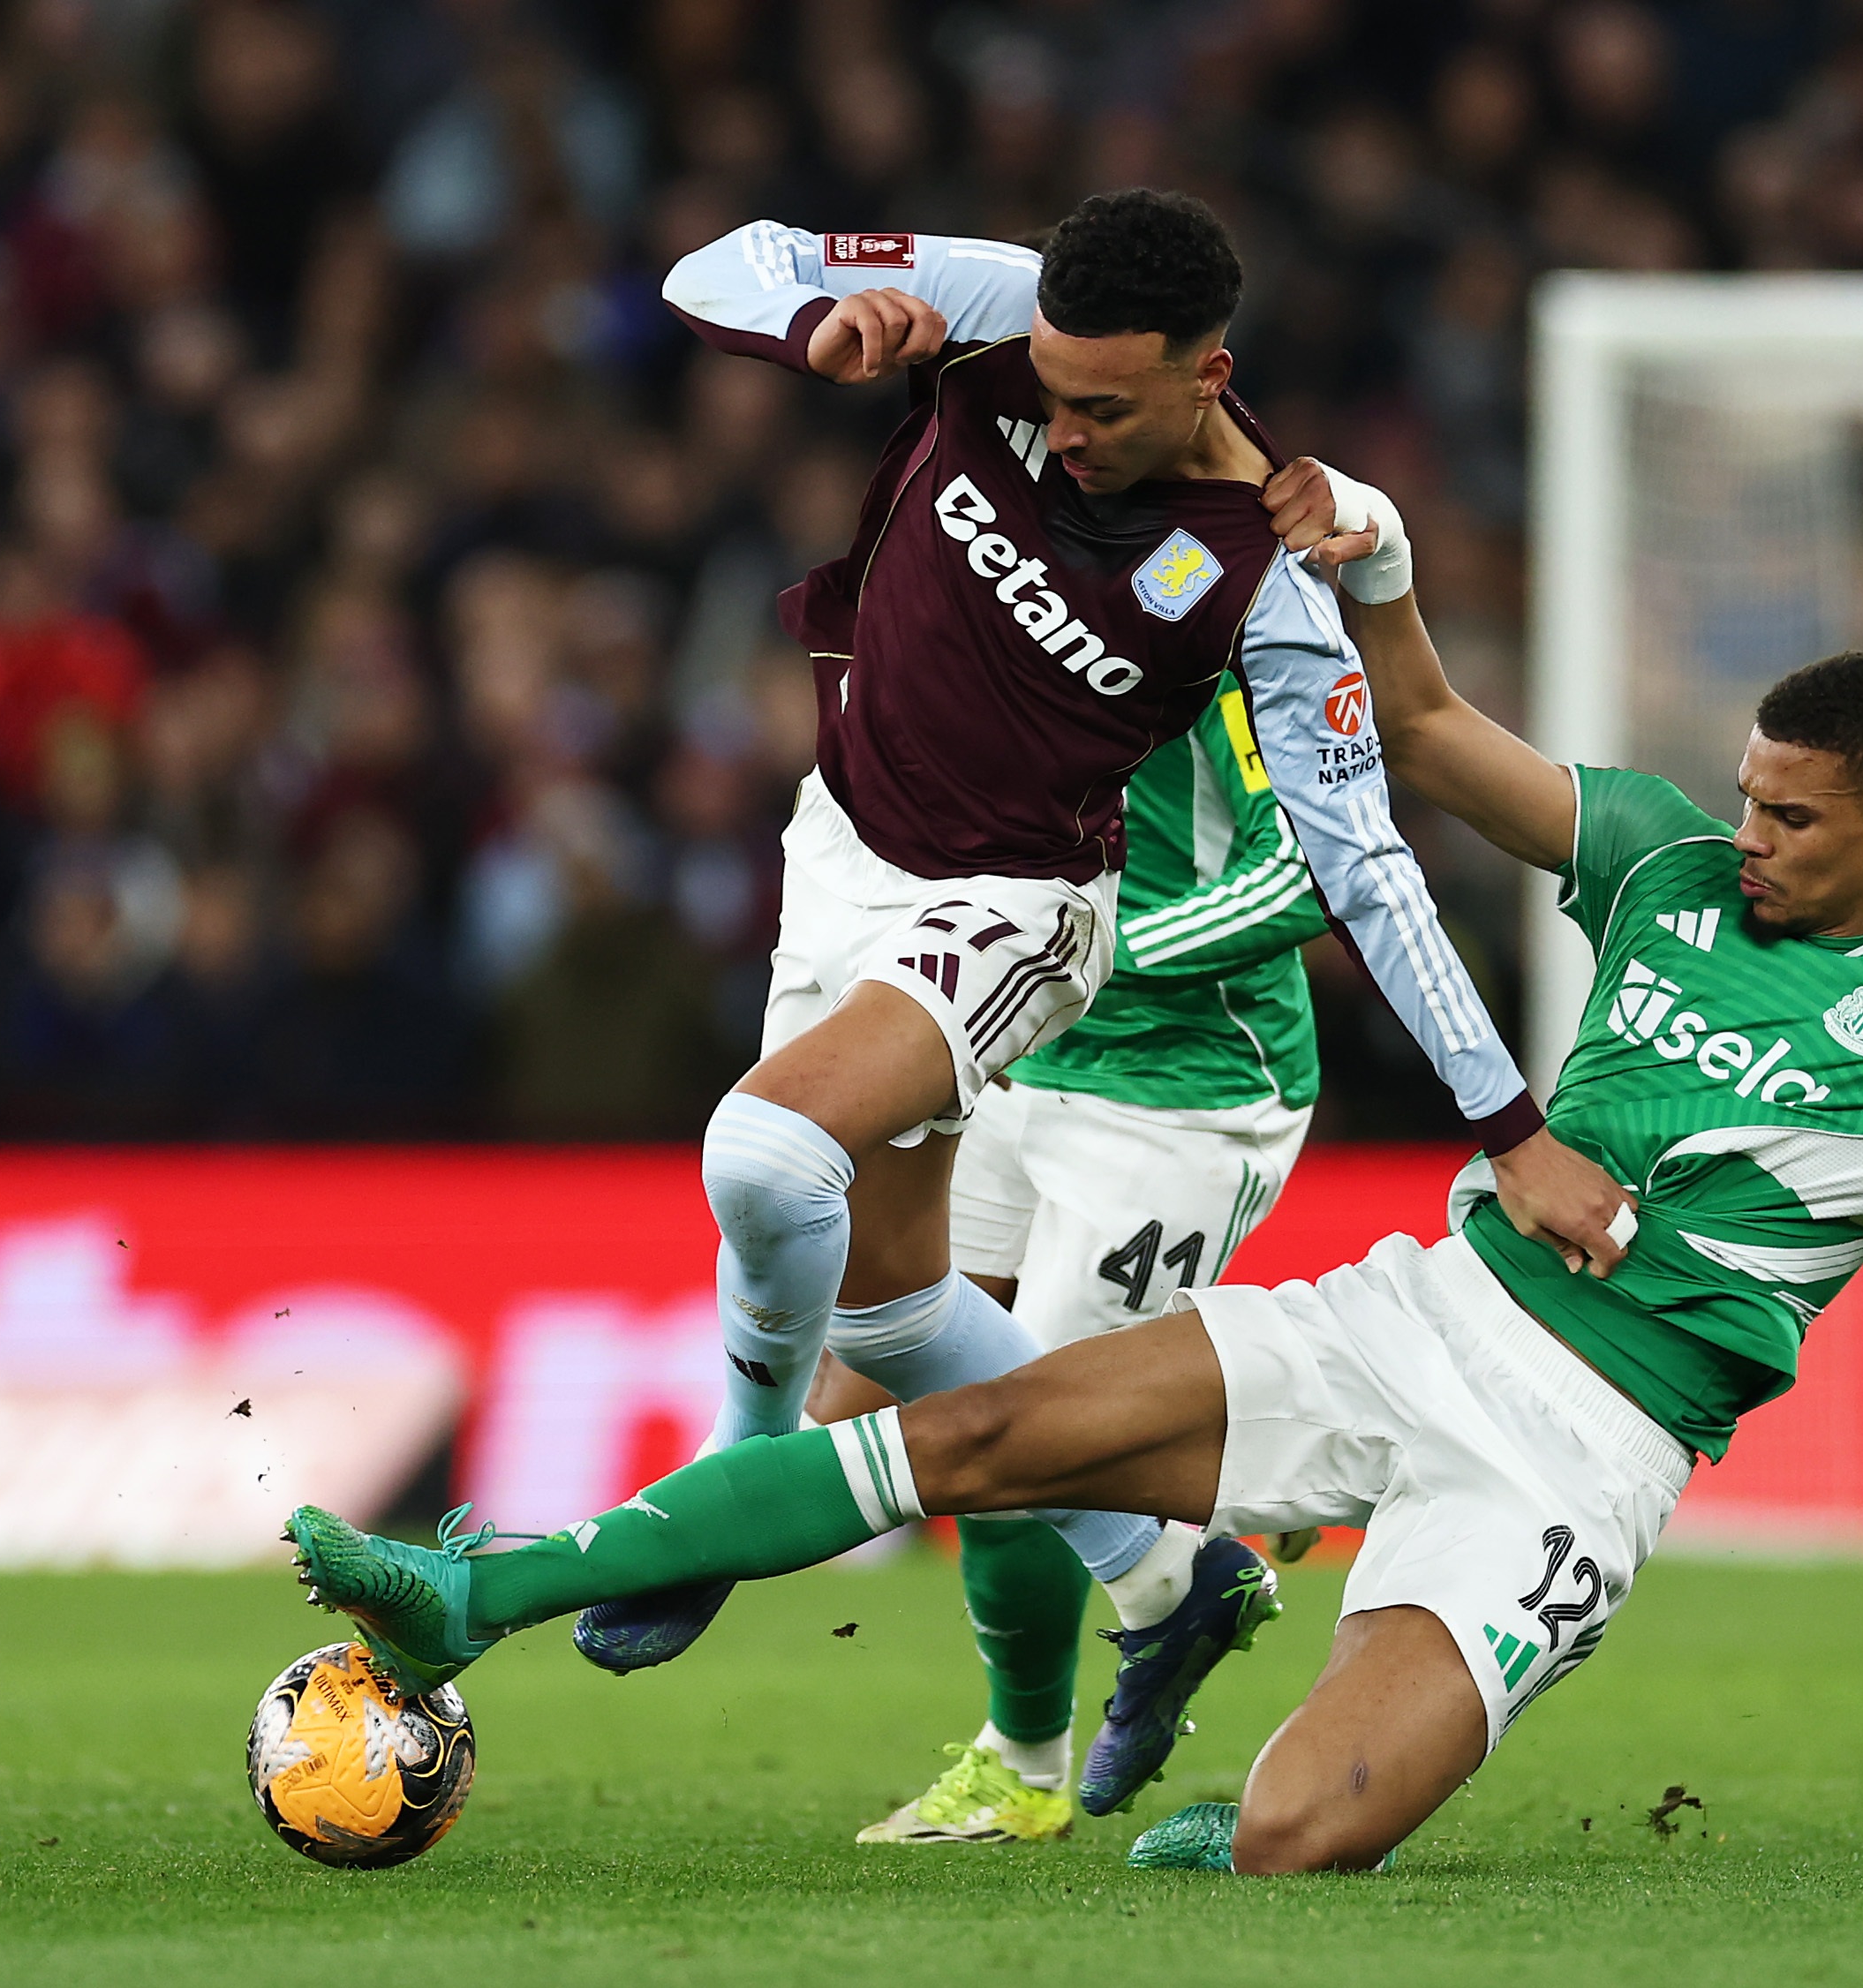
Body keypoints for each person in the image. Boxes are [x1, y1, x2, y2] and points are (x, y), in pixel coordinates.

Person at [286, 629, 1863, 1875]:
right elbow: (1416, 735)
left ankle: (1219, 1751)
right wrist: (1365, 553)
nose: (1747, 832)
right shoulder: (1664, 862)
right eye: (1750, 797)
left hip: (1583, 1456)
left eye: (1793, 814)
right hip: (1412, 1314)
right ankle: (481, 1592)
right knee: (971, 1430)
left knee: (1300, 1838)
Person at [569, 189, 1632, 1820]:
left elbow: (1358, 876)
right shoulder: (1004, 312)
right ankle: (1163, 1576)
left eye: (1104, 409)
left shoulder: (1270, 585)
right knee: (898, 1324)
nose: (1059, 434)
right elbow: (724, 260)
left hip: (1102, 999)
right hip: (859, 855)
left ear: (1209, 373)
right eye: (1046, 394)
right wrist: (823, 326)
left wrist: (1512, 1125)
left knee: (799, 1194)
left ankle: (985, 1723)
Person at [813, 673, 1331, 1847]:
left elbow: (1300, 870)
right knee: (913, 1373)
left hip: (1183, 1096)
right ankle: (1235, 1493)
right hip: (1022, 1054)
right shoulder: (986, 579)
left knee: (1024, 1427)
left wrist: (1098, 951)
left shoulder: (1217, 619)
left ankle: (1026, 1756)